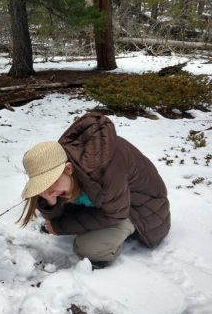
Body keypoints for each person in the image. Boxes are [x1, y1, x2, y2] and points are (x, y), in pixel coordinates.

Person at [19, 112, 170, 268]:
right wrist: (50, 202)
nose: (48, 190)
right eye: (43, 185)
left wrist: (60, 226)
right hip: (115, 203)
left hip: (141, 210)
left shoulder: (107, 169)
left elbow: (114, 215)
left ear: (68, 169)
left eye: (51, 183)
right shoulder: (64, 162)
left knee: (86, 247)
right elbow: (56, 213)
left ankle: (110, 248)